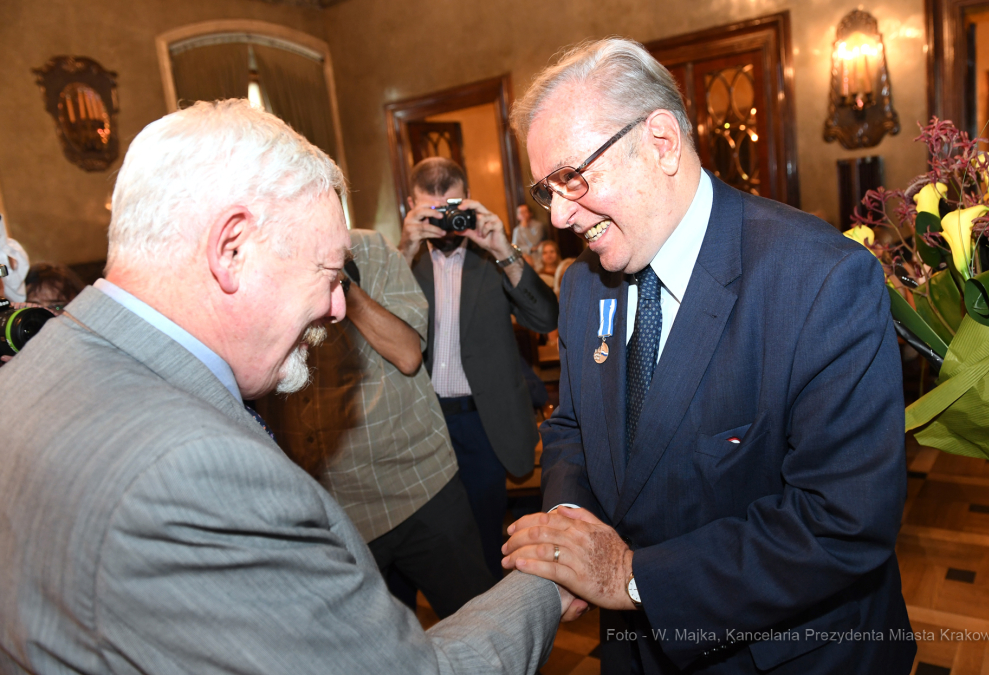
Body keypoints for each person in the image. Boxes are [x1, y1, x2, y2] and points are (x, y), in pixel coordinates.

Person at [0, 99, 585, 675]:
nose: (338, 308)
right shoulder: (196, 471)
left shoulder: (37, 364)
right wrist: (547, 584)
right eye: (329, 275)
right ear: (232, 249)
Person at [501, 39, 916, 675]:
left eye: (572, 177)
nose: (558, 215)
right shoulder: (584, 283)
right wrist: (570, 526)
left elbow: (844, 521)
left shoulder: (821, 279)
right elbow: (572, 426)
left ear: (662, 142)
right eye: (545, 189)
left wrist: (634, 578)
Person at [254, 228, 496, 619]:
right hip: (337, 512)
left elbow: (408, 354)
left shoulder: (370, 250)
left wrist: (336, 279)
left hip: (418, 485)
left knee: (481, 623)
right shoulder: (258, 269)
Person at [398, 157, 559, 579]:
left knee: (488, 542)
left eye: (452, 207)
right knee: (434, 546)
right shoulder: (402, 262)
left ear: (467, 199)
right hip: (423, 425)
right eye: (432, 212)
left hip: (484, 424)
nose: (445, 221)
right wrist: (404, 250)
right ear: (411, 206)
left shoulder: (491, 259)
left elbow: (545, 319)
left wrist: (503, 249)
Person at [511, 203, 548, 267]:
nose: (523, 214)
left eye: (525, 211)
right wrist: (530, 249)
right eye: (520, 212)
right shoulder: (516, 230)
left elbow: (534, 243)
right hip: (523, 259)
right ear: (517, 216)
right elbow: (514, 248)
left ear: (530, 213)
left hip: (537, 259)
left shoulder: (538, 226)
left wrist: (525, 228)